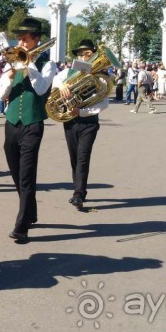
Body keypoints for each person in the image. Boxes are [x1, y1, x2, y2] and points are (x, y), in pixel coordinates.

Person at [0, 17, 57, 244]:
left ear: (36, 41)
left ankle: (21, 226)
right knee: (15, 173)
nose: (20, 43)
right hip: (12, 123)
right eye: (19, 38)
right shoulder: (11, 62)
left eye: (25, 39)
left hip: (33, 124)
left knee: (27, 174)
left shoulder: (47, 65)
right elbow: (1, 95)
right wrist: (10, 75)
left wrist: (29, 65)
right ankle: (30, 210)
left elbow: (41, 89)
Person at [52, 39, 109, 210]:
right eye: (81, 54)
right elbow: (55, 82)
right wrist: (61, 86)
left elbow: (103, 103)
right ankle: (78, 189)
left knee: (83, 158)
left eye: (88, 54)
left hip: (89, 123)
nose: (83, 57)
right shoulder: (67, 72)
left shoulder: (100, 77)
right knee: (74, 158)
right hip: (70, 121)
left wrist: (82, 112)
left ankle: (79, 194)